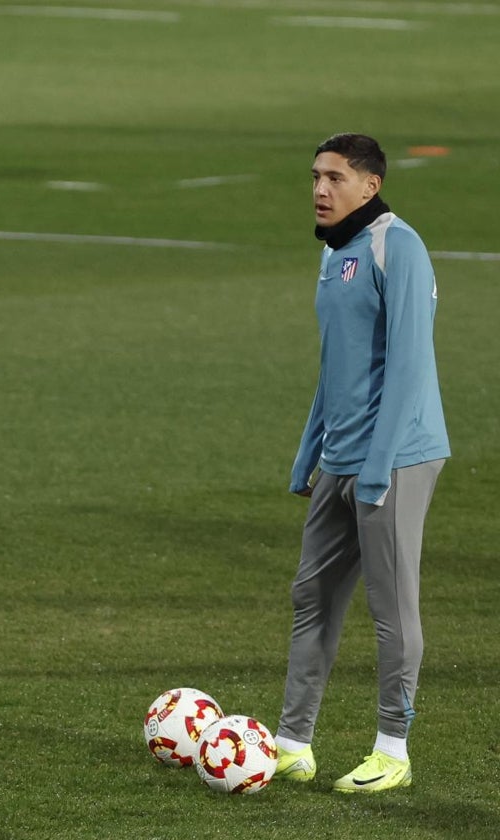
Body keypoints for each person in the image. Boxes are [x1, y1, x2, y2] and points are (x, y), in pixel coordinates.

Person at [274, 133, 450, 793]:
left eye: (335, 178)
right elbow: (336, 367)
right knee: (312, 597)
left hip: (397, 458)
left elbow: (409, 364)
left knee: (390, 607)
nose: (320, 189)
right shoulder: (336, 254)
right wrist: (308, 451)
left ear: (369, 185)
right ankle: (294, 741)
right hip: (341, 458)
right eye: (315, 176)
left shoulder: (395, 247)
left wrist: (375, 467)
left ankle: (392, 750)